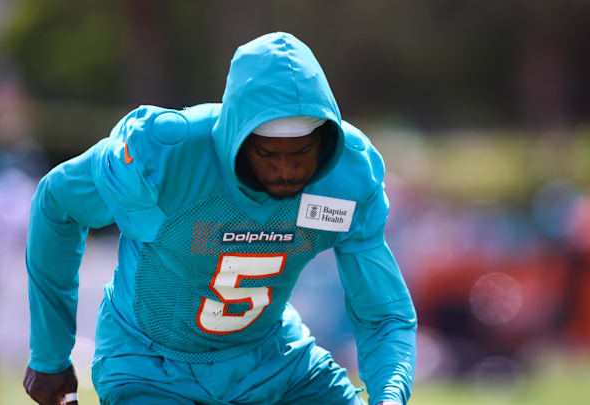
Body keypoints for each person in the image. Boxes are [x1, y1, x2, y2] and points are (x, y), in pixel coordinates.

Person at [23, 32, 416, 405]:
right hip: (151, 364)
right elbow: (57, 204)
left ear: (326, 142)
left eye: (300, 154)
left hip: (272, 360)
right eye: (268, 154)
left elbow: (383, 313)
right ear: (236, 136)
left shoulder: (346, 177)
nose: (285, 170)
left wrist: (390, 395)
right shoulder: (164, 156)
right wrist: (49, 353)